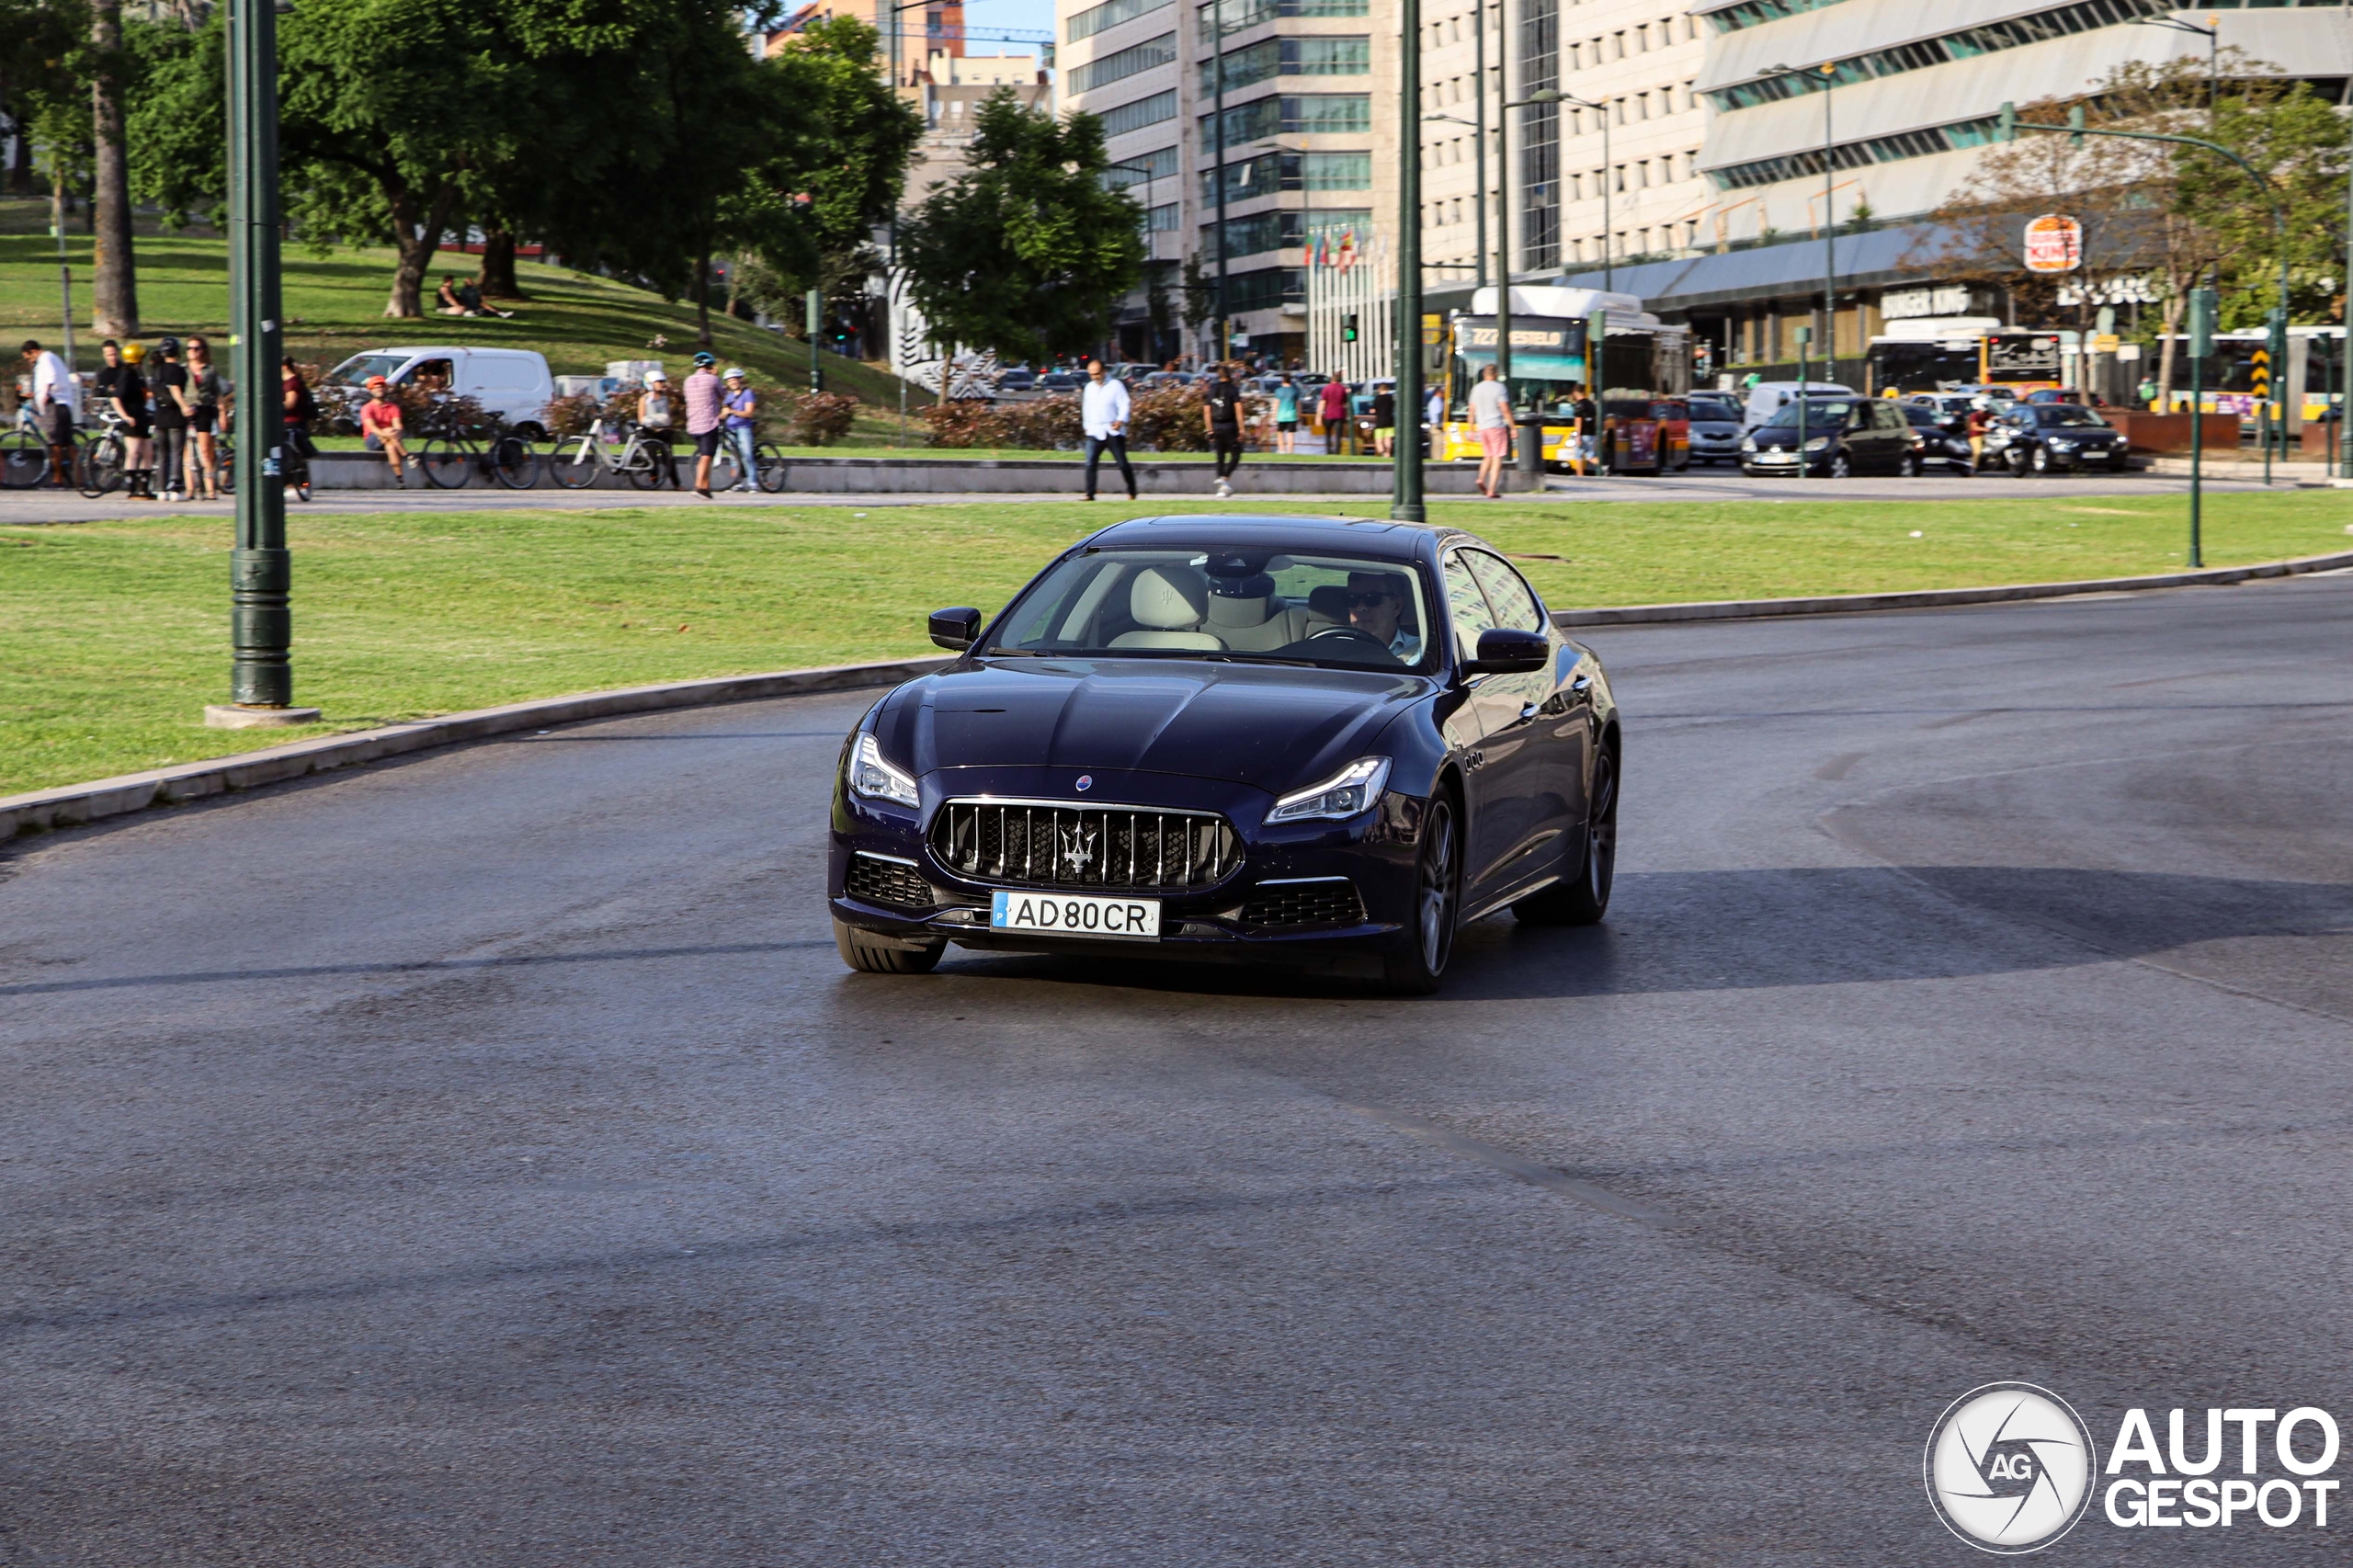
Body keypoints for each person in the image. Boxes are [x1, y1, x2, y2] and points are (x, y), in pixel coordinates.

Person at [93, 339, 153, 500]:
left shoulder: (136, 373)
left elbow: (144, 393)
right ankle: (132, 487)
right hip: (131, 416)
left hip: (141, 415)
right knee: (133, 452)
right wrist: (125, 416)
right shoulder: (126, 374)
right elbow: (115, 397)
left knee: (148, 452)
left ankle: (144, 487)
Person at [19, 339, 78, 488]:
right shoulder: (52, 357)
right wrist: (36, 394)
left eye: (28, 358)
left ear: (32, 352)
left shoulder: (45, 358)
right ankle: (80, 479)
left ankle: (57, 479)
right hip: (63, 403)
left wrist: (45, 395)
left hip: (54, 405)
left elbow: (51, 378)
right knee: (67, 442)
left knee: (55, 443)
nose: (30, 361)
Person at [1081, 358, 1136, 502]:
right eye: (1091, 374)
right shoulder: (1089, 387)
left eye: (1097, 373)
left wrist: (1121, 420)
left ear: (1104, 371)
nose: (1094, 377)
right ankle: (1090, 493)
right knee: (1090, 463)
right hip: (1094, 429)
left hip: (1112, 429)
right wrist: (1086, 425)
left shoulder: (1115, 385)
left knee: (1122, 463)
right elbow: (1086, 408)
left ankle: (1132, 491)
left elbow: (1125, 403)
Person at [147, 336, 192, 500]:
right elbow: (175, 390)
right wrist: (184, 406)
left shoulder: (157, 370)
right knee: (176, 452)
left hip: (160, 415)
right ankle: (175, 485)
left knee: (162, 453)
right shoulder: (178, 370)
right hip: (175, 415)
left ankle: (160, 488)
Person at [1345, 570, 1420, 662]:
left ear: (1396, 606)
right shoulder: (1333, 645)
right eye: (1351, 599)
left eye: (1372, 598)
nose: (1361, 607)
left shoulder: (1420, 652)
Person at [184, 335, 226, 500]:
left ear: (203, 350)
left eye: (196, 348)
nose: (192, 351)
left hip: (205, 410)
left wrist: (222, 413)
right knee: (187, 451)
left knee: (205, 451)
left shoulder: (210, 370)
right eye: (189, 348)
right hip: (187, 410)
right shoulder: (183, 370)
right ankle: (190, 488)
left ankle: (210, 489)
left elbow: (218, 394)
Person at [683, 350, 723, 498]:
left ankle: (705, 488)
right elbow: (722, 395)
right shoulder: (712, 380)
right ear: (710, 365)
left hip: (693, 423)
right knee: (706, 456)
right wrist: (716, 376)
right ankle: (699, 486)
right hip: (709, 423)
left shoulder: (688, 380)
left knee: (705, 455)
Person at [1469, 363, 1512, 499]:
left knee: (1488, 455)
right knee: (1497, 457)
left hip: (1483, 427)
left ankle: (1481, 478)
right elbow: (1504, 408)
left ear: (1484, 374)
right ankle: (1491, 490)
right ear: (1496, 374)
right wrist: (1513, 426)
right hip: (1496, 426)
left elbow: (1471, 410)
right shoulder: (1499, 388)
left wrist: (1471, 429)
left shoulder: (1476, 388)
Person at [1202, 363, 1245, 496]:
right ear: (1229, 375)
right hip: (1230, 426)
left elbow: (1207, 410)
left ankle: (1222, 488)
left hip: (1216, 426)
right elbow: (1238, 409)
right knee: (1236, 454)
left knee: (1220, 456)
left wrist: (1209, 429)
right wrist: (1242, 428)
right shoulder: (1233, 389)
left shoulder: (1212, 389)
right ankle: (1224, 478)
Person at [359, 375, 409, 486]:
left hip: (390, 439)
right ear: (371, 391)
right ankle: (406, 455)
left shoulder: (393, 407)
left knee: (390, 446)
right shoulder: (367, 408)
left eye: (382, 387)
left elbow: (398, 425)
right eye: (376, 387)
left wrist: (394, 432)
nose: (380, 389)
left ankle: (399, 478)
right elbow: (373, 428)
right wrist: (388, 433)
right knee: (388, 430)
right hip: (373, 439)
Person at [282, 356, 319, 494]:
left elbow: (291, 403)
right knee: (286, 455)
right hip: (284, 422)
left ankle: (300, 484)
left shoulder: (292, 383)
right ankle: (290, 483)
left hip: (293, 422)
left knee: (294, 456)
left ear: (285, 366)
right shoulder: (283, 382)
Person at [638, 369, 679, 488]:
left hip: (664, 431)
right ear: (650, 383)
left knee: (669, 457)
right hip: (649, 432)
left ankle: (676, 483)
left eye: (662, 382)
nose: (662, 384)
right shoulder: (644, 399)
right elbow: (641, 418)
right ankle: (653, 481)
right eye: (659, 382)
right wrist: (653, 425)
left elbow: (668, 415)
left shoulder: (665, 399)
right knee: (652, 458)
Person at [721, 368, 757, 493]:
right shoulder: (729, 396)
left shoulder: (747, 393)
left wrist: (733, 411)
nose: (732, 383)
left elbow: (749, 413)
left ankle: (752, 483)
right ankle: (738, 482)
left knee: (747, 454)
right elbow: (724, 413)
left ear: (740, 380)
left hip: (743, 427)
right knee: (733, 457)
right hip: (730, 428)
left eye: (734, 380)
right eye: (729, 381)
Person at [1570, 383, 1598, 475]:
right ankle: (1603, 467)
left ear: (1575, 392)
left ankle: (1580, 476)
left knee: (1578, 455)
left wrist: (1577, 435)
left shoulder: (1579, 405)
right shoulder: (1591, 404)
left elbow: (1578, 421)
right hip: (1591, 434)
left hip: (1582, 434)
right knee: (1590, 456)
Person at [1317, 375, 1348, 454]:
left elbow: (1323, 403)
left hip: (1328, 413)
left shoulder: (1326, 388)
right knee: (1338, 435)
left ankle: (1328, 451)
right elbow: (1345, 403)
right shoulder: (1342, 388)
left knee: (1328, 433)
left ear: (1331, 380)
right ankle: (1337, 451)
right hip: (1340, 413)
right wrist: (1346, 414)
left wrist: (1320, 415)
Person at [1273, 375, 1300, 454]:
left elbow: (1276, 403)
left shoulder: (1278, 391)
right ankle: (1290, 451)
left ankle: (1281, 450)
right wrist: (1299, 414)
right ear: (1290, 381)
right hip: (1291, 415)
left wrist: (1274, 415)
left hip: (1281, 415)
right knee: (1290, 434)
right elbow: (1298, 404)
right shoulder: (1294, 391)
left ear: (1282, 381)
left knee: (1280, 433)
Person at [1370, 382, 1396, 458]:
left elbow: (1373, 410)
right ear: (1387, 389)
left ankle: (1382, 453)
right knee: (1388, 439)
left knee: (1378, 440)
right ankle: (1388, 453)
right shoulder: (1390, 398)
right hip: (1389, 421)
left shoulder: (1377, 398)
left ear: (1379, 389)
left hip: (1380, 421)